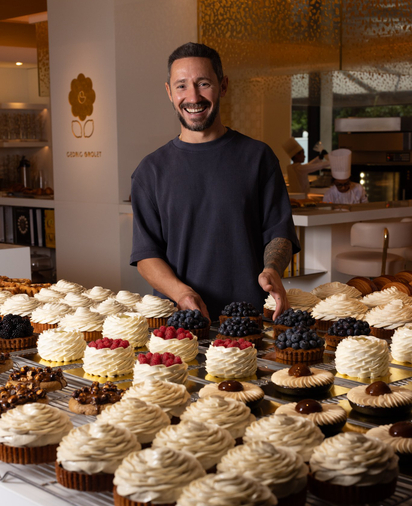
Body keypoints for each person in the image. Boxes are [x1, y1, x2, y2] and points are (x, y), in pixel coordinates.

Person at [129, 42, 300, 321]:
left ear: (223, 86)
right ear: (169, 92)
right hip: (180, 322)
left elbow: (279, 232)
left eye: (203, 83)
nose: (193, 96)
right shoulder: (150, 171)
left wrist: (271, 270)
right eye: (181, 86)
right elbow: (147, 255)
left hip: (248, 319)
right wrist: (182, 293)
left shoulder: (258, 157)